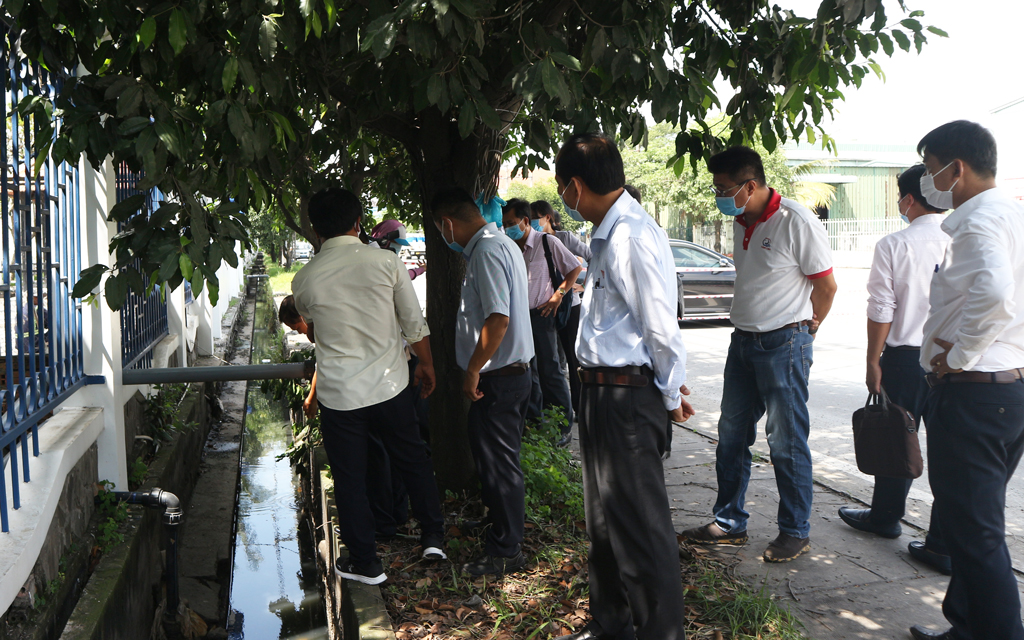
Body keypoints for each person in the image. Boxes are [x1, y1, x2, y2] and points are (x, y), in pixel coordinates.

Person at [555, 133, 693, 640]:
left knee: (640, 530)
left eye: (562, 190)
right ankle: (609, 625)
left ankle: (661, 632)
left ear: (574, 186)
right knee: (605, 524)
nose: (564, 200)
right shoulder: (607, 233)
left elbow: (660, 326)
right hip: (598, 393)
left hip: (626, 397)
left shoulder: (630, 234)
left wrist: (669, 392)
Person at [681, 146, 837, 563]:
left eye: (724, 188)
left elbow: (826, 287)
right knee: (731, 436)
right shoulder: (740, 218)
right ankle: (729, 522)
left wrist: (809, 328)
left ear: (751, 185)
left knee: (785, 441)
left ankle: (795, 530)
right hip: (743, 342)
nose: (719, 196)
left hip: (784, 344)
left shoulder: (796, 220)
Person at [291, 187, 446, 585]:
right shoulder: (386, 263)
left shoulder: (304, 279)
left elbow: (311, 324)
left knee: (350, 478)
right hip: (390, 385)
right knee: (413, 460)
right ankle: (433, 536)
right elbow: (413, 323)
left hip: (340, 395)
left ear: (316, 229)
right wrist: (426, 365)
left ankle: (366, 562)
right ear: (358, 222)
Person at [909, 121, 1024, 640]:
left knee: (975, 533)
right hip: (1007, 387)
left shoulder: (978, 222)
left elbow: (997, 294)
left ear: (957, 168)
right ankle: (969, 624)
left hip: (976, 391)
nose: (929, 181)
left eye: (932, 170)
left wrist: (960, 356)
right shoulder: (1013, 213)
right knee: (969, 520)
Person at [835, 164, 951, 574]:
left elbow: (882, 307)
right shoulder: (961, 239)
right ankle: (942, 542)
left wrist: (872, 360)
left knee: (896, 438)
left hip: (904, 358)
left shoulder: (895, 244)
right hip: (953, 362)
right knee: (949, 454)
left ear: (907, 199)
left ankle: (885, 518)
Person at [429, 186, 535, 577]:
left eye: (442, 231)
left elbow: (498, 319)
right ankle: (499, 528)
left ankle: (507, 549)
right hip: (509, 374)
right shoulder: (499, 242)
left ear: (447, 223)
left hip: (499, 377)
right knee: (492, 461)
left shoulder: (488, 251)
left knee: (500, 463)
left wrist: (473, 367)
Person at [502, 198, 581, 444]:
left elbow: (574, 268)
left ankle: (563, 427)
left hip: (542, 315)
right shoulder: (509, 246)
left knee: (551, 371)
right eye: (504, 224)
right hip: (519, 317)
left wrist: (558, 296)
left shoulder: (547, 242)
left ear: (526, 221)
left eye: (511, 223)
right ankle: (535, 424)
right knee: (529, 371)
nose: (507, 228)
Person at [530, 200, 588, 418]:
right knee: (551, 362)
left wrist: (579, 287)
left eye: (536, 216)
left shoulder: (564, 239)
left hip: (568, 307)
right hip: (544, 310)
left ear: (547, 217)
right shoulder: (530, 242)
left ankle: (579, 408)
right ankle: (555, 411)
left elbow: (587, 260)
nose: (533, 221)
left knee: (573, 359)